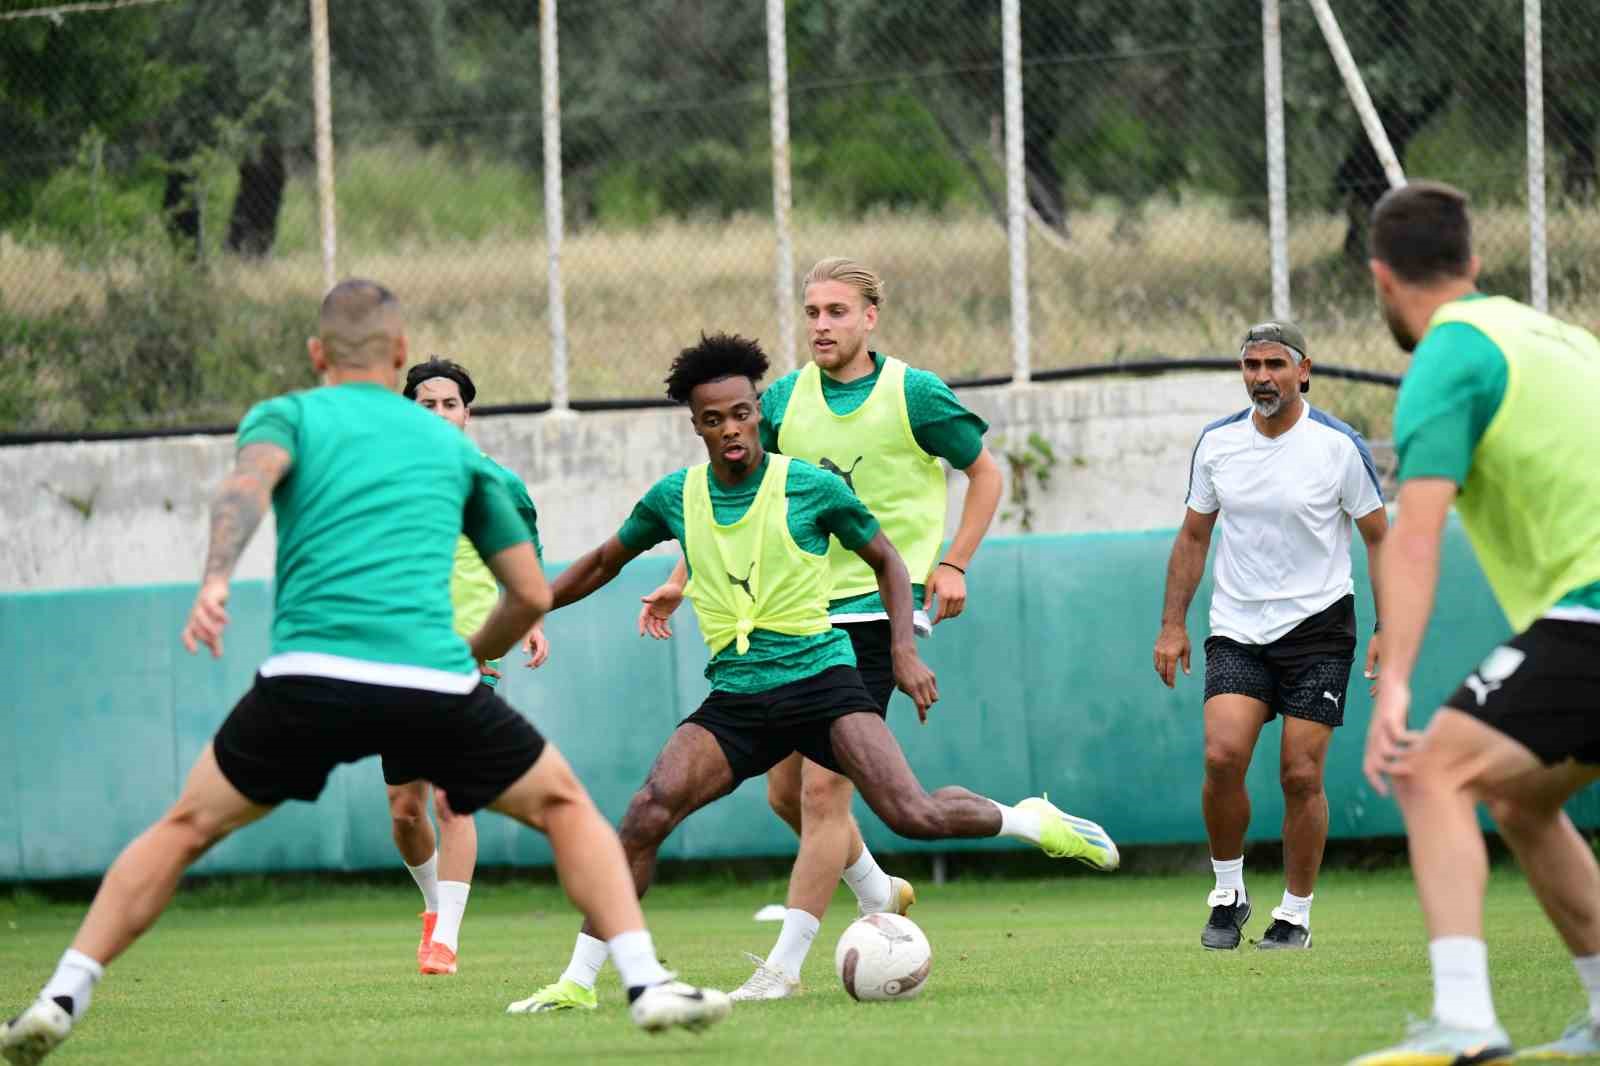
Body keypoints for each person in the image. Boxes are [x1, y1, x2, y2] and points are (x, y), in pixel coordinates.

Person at [0, 280, 729, 1066]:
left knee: (185, 827)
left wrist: (215, 579)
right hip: (431, 678)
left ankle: (62, 995)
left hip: (304, 677)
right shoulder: (453, 449)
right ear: (401, 357)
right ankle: (644, 981)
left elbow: (246, 486)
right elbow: (527, 592)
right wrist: (476, 651)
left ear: (318, 355)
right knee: (564, 806)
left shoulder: (289, 416)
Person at [506, 332, 1117, 1015]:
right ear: (697, 425)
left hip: (822, 685)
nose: (731, 429)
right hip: (738, 695)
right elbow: (599, 562)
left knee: (911, 814)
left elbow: (888, 560)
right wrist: (528, 608)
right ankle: (579, 981)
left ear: (758, 411)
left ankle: (1025, 819)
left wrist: (905, 652)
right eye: (715, 419)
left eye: (741, 413)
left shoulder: (809, 486)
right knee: (648, 812)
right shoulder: (676, 496)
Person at [635, 257, 1004, 999]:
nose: (822, 325)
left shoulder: (914, 393)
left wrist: (954, 562)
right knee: (784, 794)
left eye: (837, 311)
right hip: (795, 614)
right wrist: (680, 578)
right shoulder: (778, 401)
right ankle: (875, 892)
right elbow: (729, 495)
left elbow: (987, 472)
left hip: (870, 613)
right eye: (811, 312)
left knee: (822, 798)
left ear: (871, 317)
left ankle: (784, 969)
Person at [1350, 182, 1600, 1064]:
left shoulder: (1446, 359)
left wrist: (1399, 683)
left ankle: (1464, 1027)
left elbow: (1415, 537)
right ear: (1475, 261)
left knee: (1432, 773)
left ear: (1381, 279)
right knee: (1523, 799)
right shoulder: (1555, 335)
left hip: (1593, 609)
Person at [1153, 319, 1387, 951]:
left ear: (1303, 370)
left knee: (1300, 776)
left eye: (1275, 366)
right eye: (1252, 366)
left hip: (1319, 629)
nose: (1262, 377)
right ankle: (1228, 892)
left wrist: (1387, 626)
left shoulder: (1338, 447)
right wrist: (1173, 624)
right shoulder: (1218, 443)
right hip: (1237, 628)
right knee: (1222, 757)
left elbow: (1378, 539)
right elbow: (1194, 536)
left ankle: (1296, 914)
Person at [393, 356, 551, 976]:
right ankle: (433, 908)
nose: (438, 415)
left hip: (469, 657)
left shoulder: (495, 485)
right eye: (425, 405)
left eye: (449, 404)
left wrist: (531, 616)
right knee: (406, 812)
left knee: (453, 800)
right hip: (398, 662)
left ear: (468, 413)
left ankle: (447, 940)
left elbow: (524, 555)